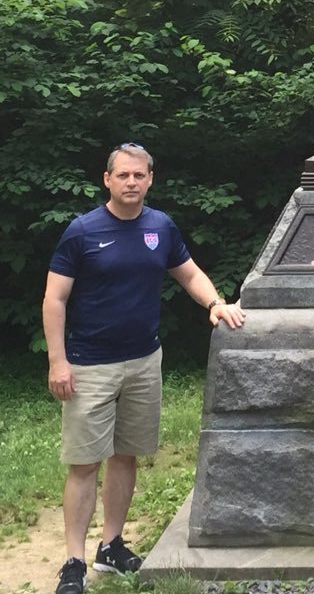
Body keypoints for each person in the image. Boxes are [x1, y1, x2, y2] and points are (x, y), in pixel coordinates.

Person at [42, 142, 246, 594]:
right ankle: (73, 562)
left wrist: (215, 303)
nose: (131, 183)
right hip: (89, 364)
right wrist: (58, 361)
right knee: (83, 463)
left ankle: (111, 545)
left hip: (144, 360)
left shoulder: (161, 226)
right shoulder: (82, 231)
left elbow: (188, 273)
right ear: (107, 179)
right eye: (123, 176)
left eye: (139, 176)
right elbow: (55, 298)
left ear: (150, 179)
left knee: (126, 455)